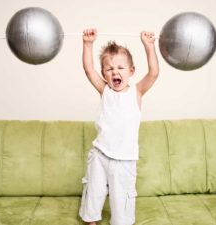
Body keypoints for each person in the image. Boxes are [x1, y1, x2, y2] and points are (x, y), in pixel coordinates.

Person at [79, 28, 159, 225]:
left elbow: (154, 72)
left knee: (121, 199)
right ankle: (91, 220)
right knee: (94, 192)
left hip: (124, 160)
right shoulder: (104, 90)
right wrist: (87, 44)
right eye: (109, 69)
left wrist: (149, 46)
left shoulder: (137, 93)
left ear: (131, 71)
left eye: (121, 68)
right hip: (100, 154)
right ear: (104, 74)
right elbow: (89, 69)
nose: (115, 72)